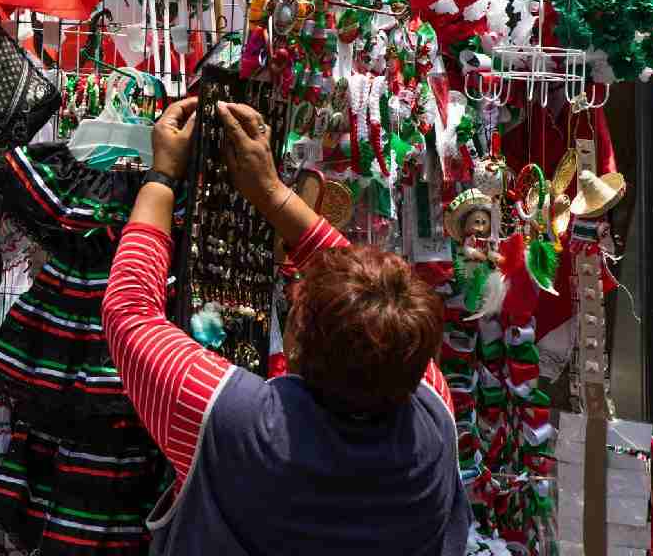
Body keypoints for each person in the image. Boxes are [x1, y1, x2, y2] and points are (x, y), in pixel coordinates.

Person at [103, 97, 470, 556]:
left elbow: (130, 309)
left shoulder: (232, 422)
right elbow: (376, 307)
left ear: (296, 341)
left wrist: (161, 178)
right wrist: (273, 194)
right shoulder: (432, 412)